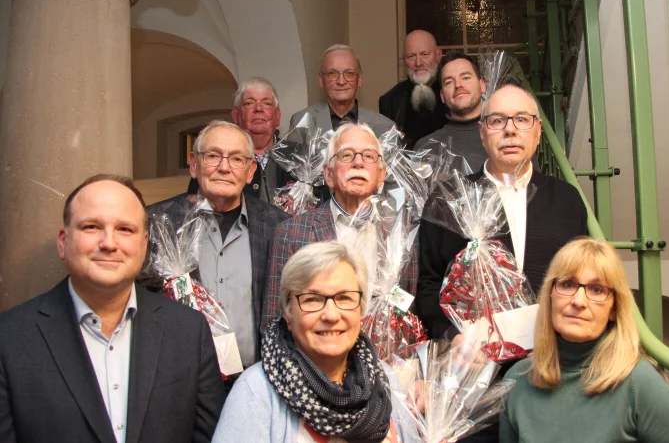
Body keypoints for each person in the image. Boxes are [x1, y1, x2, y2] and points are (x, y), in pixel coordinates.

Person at [0, 174, 224, 443]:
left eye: (125, 230)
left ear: (143, 245)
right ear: (63, 241)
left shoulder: (188, 331)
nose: (109, 243)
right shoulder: (10, 339)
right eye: (92, 227)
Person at [417, 84, 588, 340]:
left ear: (538, 131)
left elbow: (583, 276)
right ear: (482, 132)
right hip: (474, 358)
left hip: (553, 353)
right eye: (497, 120)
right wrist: (453, 335)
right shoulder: (449, 199)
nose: (510, 129)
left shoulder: (567, 200)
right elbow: (428, 284)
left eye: (522, 119)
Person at [500, 237, 669, 442]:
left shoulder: (639, 383)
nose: (578, 301)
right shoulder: (516, 381)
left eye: (596, 289)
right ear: (550, 296)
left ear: (614, 309)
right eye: (568, 284)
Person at [213, 241, 420, 443]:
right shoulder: (255, 392)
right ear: (288, 313)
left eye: (344, 298)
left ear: (361, 310)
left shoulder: (384, 378)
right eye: (312, 299)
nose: (331, 315)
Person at [147, 120, 290, 373]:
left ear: (250, 171)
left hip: (257, 380)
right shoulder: (157, 223)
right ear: (193, 164)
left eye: (236, 159)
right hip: (178, 376)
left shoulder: (279, 226)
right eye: (213, 156)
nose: (224, 167)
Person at [262, 122, 417, 329]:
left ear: (381, 176)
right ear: (328, 174)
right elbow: (274, 324)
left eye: (369, 156)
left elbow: (408, 315)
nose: (358, 163)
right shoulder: (290, 233)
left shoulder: (402, 235)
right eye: (346, 155)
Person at [188, 77, 293, 203]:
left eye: (267, 103)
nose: (258, 109)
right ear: (236, 115)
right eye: (249, 103)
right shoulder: (213, 159)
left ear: (277, 116)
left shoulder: (299, 156)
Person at [290, 44, 395, 136]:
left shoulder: (385, 127)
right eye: (332, 73)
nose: (341, 81)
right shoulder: (301, 123)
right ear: (321, 80)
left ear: (359, 79)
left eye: (349, 74)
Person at [414, 50, 487, 171]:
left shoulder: (504, 134)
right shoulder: (427, 147)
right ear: (442, 96)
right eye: (449, 82)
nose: (458, 85)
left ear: (482, 85)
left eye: (466, 77)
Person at [379, 30, 448, 148]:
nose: (418, 63)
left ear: (439, 55)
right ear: (404, 60)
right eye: (411, 56)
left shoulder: (452, 93)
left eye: (425, 55)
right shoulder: (390, 101)